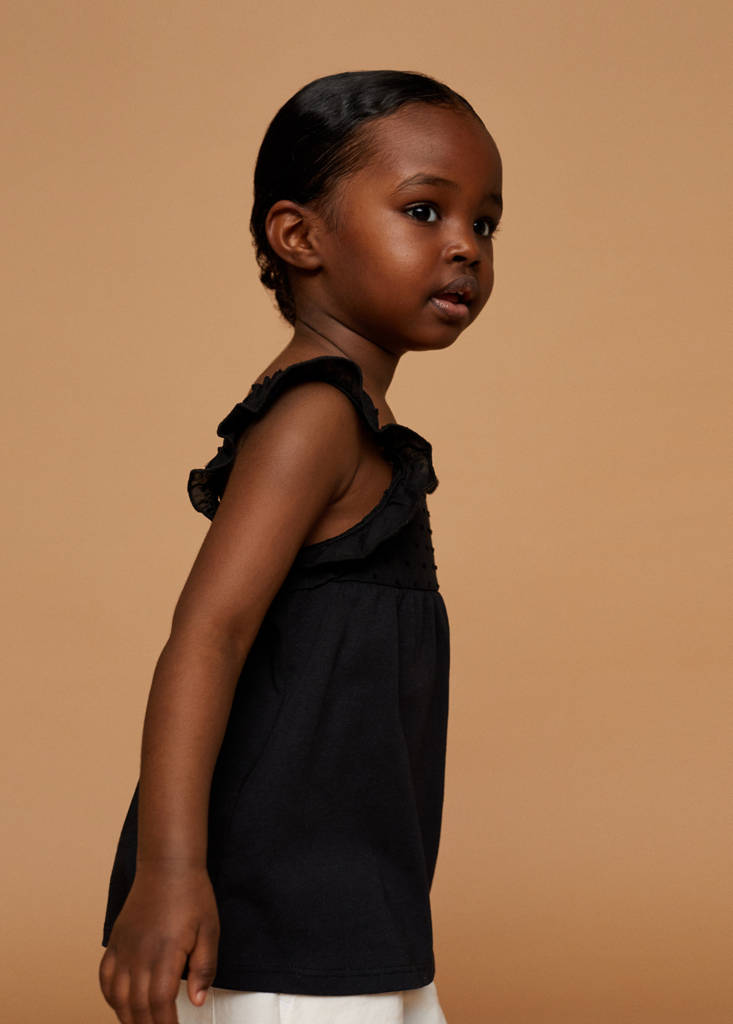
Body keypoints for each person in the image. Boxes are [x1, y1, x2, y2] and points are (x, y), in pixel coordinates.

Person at [99, 68, 503, 1024]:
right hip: (282, 921)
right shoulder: (314, 415)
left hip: (353, 903)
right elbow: (209, 635)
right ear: (299, 237)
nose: (464, 246)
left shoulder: (352, 418)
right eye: (423, 210)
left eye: (484, 223)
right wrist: (168, 872)